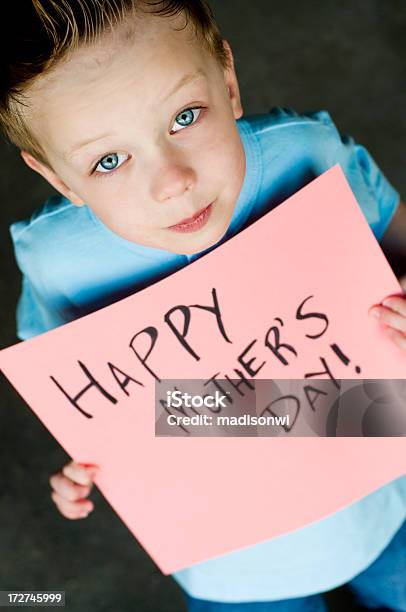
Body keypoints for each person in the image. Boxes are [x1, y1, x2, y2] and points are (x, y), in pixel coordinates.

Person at [2, 1, 406, 610]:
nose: (172, 182)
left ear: (228, 80)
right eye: (108, 161)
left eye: (185, 116)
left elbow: (396, 238)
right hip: (233, 563)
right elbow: (78, 391)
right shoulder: (55, 260)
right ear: (60, 179)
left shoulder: (307, 153)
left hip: (382, 497)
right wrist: (94, 462)